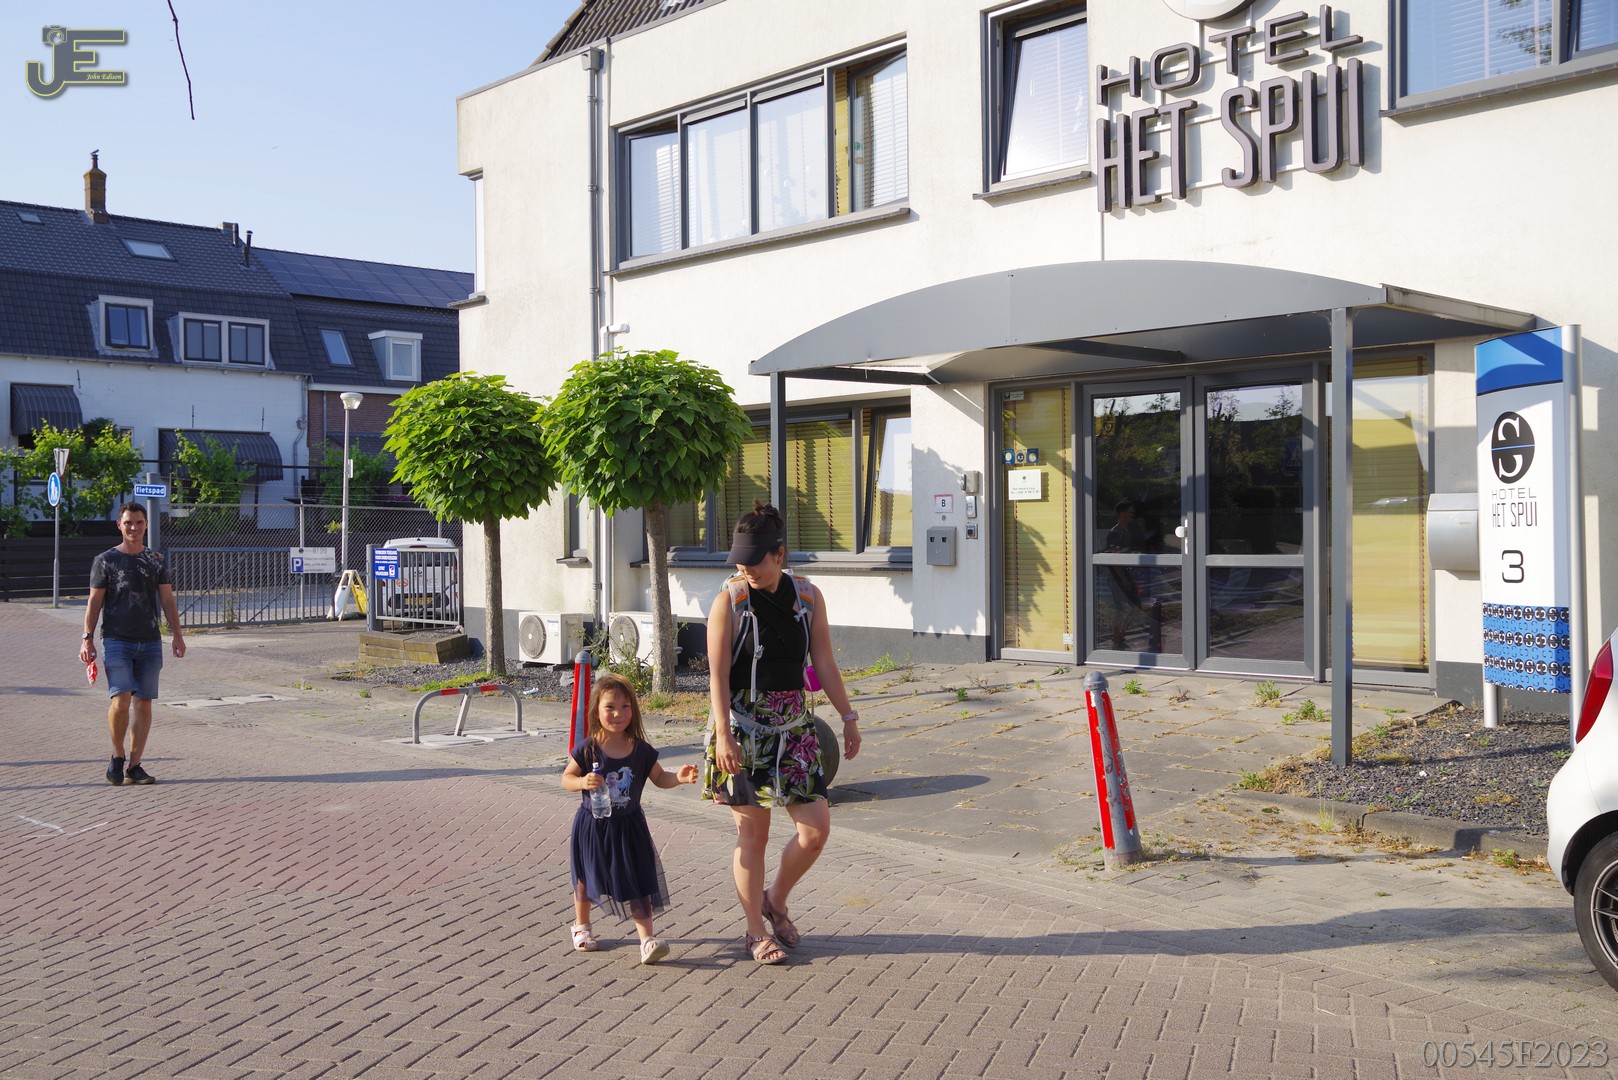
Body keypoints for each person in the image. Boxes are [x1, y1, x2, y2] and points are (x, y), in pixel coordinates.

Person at [703, 502, 862, 965]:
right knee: (753, 838)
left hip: (794, 728)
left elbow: (824, 662)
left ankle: (775, 899)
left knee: (815, 831)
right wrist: (724, 736)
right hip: (744, 729)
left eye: (754, 561)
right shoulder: (730, 601)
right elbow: (717, 675)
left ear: (780, 554)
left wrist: (848, 717)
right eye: (740, 561)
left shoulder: (807, 597)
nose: (745, 569)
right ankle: (755, 931)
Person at [560, 672, 699, 965]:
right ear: (597, 711)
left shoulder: (641, 750)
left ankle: (647, 940)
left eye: (625, 707)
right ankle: (581, 926)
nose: (618, 714)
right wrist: (582, 781)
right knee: (586, 877)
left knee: (639, 879)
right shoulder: (588, 748)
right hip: (593, 826)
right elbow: (567, 778)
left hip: (630, 827)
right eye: (610, 707)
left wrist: (679, 778)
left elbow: (659, 778)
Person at [79, 502, 186, 785]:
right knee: (121, 699)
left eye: (139, 523)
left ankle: (135, 765)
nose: (134, 528)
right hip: (116, 640)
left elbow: (167, 600)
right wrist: (87, 638)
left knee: (144, 703)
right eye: (128, 523)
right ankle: (117, 755)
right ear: (119, 525)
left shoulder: (155, 560)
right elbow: (94, 602)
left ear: (146, 525)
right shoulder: (105, 560)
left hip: (150, 641)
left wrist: (177, 635)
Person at [1104, 500, 1145, 650]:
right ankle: (1117, 638)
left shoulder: (1127, 530)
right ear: (1122, 513)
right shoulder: (1114, 533)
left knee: (1136, 606)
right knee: (1120, 608)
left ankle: (1120, 634)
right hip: (1116, 577)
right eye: (1130, 512)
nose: (1132, 514)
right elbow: (1113, 559)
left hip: (1126, 575)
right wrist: (1123, 579)